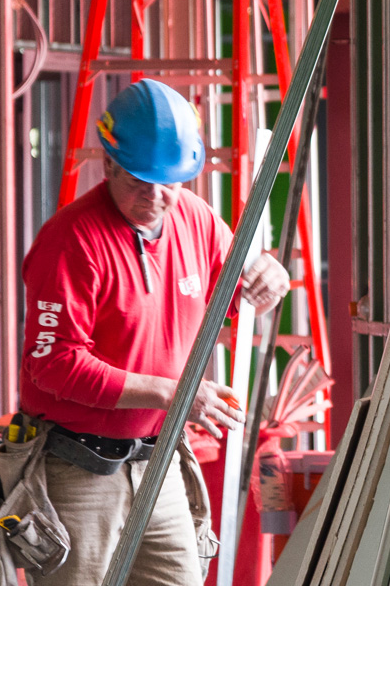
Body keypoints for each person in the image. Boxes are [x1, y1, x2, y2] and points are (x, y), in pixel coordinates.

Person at [17, 78, 291, 585]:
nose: (156, 196)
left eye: (170, 183)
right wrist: (175, 394)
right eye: (139, 181)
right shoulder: (70, 241)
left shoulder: (196, 219)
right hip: (77, 467)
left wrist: (269, 276)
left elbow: (234, 294)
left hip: (156, 458)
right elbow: (53, 365)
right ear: (109, 165)